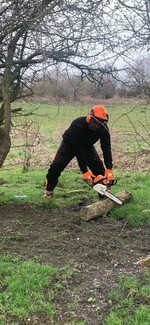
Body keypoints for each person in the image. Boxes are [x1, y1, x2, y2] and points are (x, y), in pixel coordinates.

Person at [44, 104, 115, 199]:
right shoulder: (78, 125)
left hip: (87, 146)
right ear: (90, 117)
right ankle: (49, 191)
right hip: (69, 144)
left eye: (100, 123)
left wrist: (109, 168)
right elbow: (78, 151)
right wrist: (85, 171)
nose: (97, 126)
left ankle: (104, 195)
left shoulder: (103, 129)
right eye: (95, 122)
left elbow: (106, 148)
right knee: (56, 166)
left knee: (99, 169)